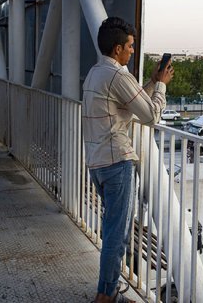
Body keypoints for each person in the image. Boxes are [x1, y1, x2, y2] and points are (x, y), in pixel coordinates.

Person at [83, 17, 173, 303]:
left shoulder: (96, 73)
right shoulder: (118, 75)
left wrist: (151, 82)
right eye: (131, 46)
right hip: (117, 162)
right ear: (119, 47)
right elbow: (151, 115)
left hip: (98, 163)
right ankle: (105, 297)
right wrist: (161, 87)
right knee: (116, 236)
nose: (133, 51)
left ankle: (107, 291)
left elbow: (131, 102)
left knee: (114, 231)